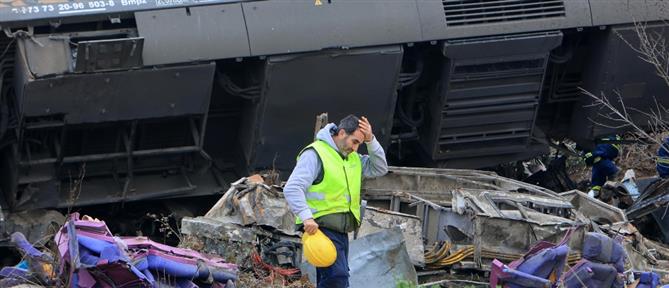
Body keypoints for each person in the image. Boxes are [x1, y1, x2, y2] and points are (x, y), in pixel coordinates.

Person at [283, 114, 388, 287]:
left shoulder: (352, 158)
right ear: (341, 133)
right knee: (337, 279)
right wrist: (306, 217)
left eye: (359, 144)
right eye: (354, 142)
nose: (355, 148)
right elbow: (293, 187)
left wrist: (371, 140)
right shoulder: (315, 153)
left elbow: (380, 168)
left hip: (341, 231)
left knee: (334, 279)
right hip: (321, 227)